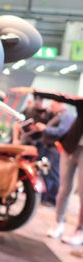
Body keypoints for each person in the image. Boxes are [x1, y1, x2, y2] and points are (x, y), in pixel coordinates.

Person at [12, 86, 83, 245]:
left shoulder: (66, 115)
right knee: (64, 189)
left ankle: (80, 231)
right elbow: (62, 96)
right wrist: (32, 91)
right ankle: (58, 223)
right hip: (70, 148)